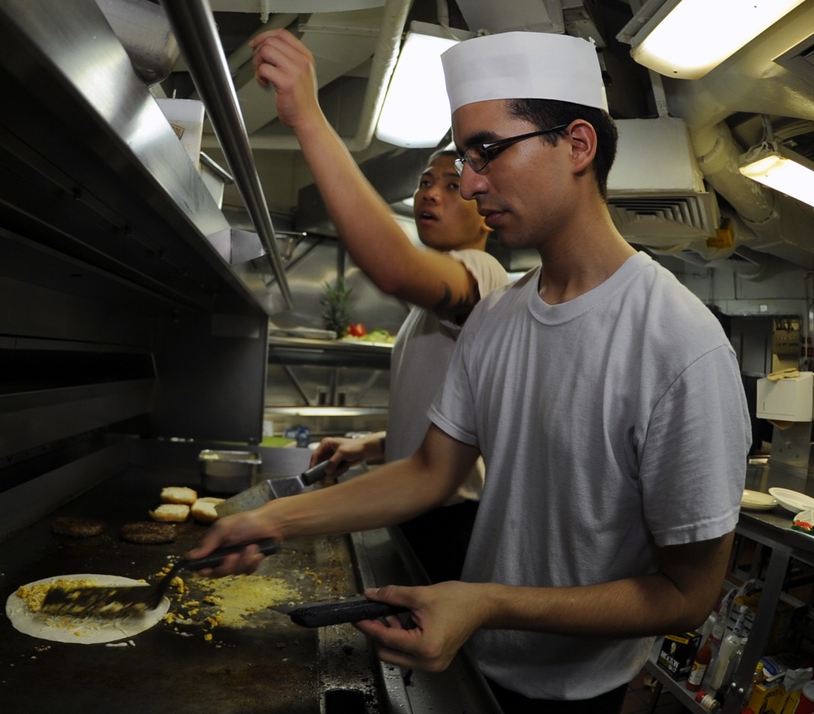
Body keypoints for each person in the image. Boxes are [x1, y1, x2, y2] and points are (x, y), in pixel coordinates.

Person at [191, 30, 750, 714]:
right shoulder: (498, 317)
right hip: (471, 659)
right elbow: (430, 471)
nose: (472, 180)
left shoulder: (678, 344)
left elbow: (689, 596)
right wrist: (276, 519)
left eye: (487, 151)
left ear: (577, 146)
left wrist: (485, 601)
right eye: (464, 157)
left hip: (573, 693)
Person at [254, 29, 509, 583]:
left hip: (450, 521)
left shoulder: (485, 275)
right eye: (424, 183)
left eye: (451, 183)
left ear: (485, 209)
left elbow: (393, 268)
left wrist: (308, 117)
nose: (429, 194)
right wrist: (371, 446)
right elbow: (444, 419)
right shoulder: (432, 309)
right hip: (415, 506)